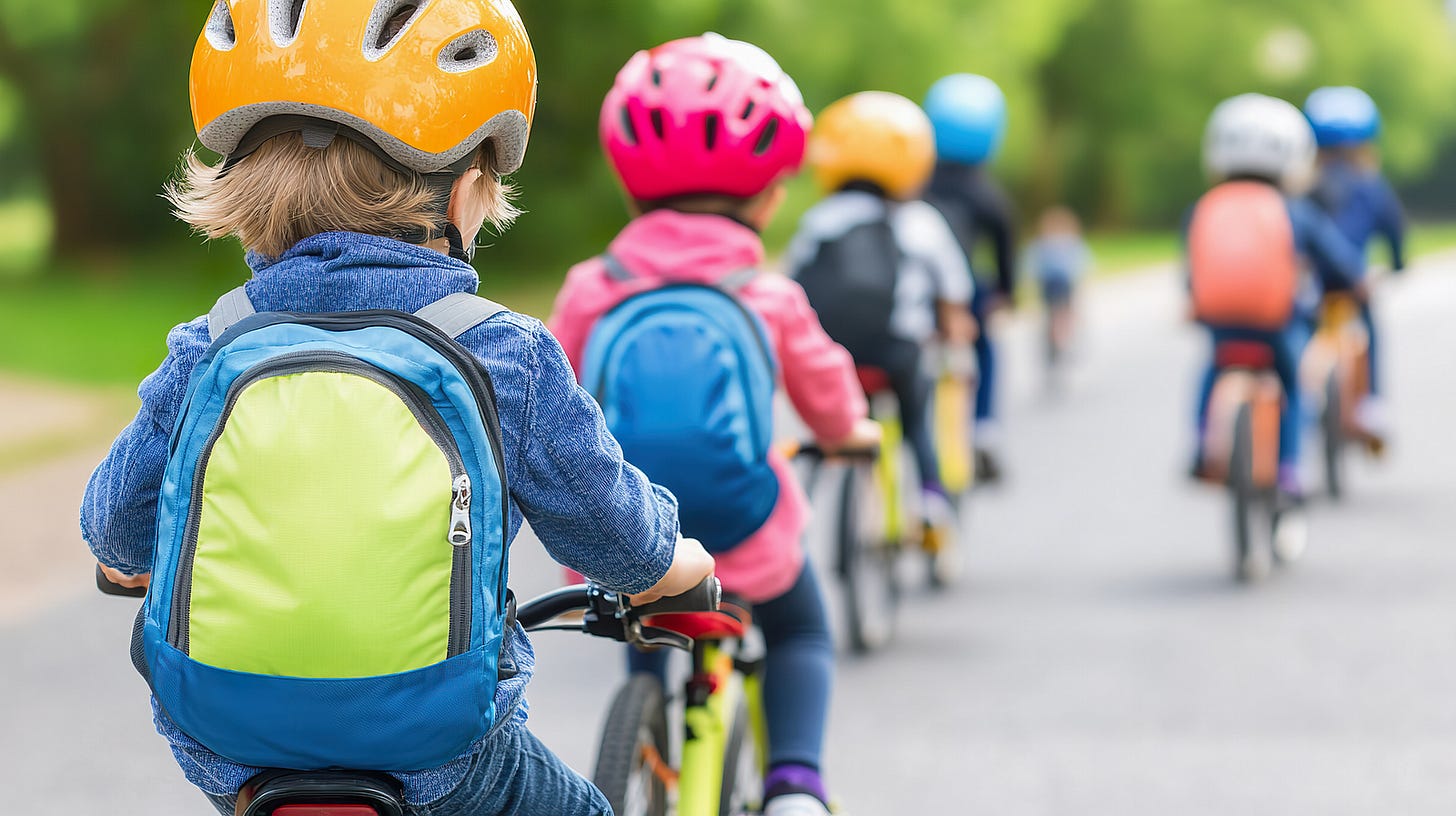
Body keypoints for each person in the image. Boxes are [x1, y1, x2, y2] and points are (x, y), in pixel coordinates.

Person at [80, 3, 713, 814]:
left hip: (230, 745)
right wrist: (673, 565)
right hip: (443, 755)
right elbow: (612, 533)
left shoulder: (210, 343)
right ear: (466, 190)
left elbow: (115, 532)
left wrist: (127, 557)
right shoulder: (499, 352)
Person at [547, 34, 879, 816]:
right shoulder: (765, 292)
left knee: (642, 605)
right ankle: (796, 784)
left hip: (625, 536)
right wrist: (849, 431)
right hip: (746, 535)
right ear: (768, 195)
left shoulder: (594, 287)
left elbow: (548, 391)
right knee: (801, 632)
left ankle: (646, 719)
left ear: (629, 185)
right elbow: (828, 389)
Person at [786, 90, 976, 540]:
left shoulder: (819, 220)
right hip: (896, 351)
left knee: (847, 420)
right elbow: (953, 294)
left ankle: (825, 505)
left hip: (833, 352)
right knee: (917, 414)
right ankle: (930, 495)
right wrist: (956, 333)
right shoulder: (921, 221)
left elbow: (791, 285)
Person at [1187, 93, 1365, 504]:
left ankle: (1201, 440)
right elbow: (1334, 256)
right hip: (1276, 318)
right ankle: (1289, 467)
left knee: (1213, 367)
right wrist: (1355, 279)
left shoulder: (1206, 205)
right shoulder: (1294, 209)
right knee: (1293, 383)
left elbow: (1194, 258)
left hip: (1221, 317)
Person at [922, 73, 1017, 482]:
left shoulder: (916, 183)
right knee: (987, 348)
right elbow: (1004, 249)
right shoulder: (987, 195)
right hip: (964, 294)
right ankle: (983, 428)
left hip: (918, 287)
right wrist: (1005, 294)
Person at [1304, 85, 1407, 443]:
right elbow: (1393, 229)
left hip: (1313, 282)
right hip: (1355, 281)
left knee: (1303, 332)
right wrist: (1397, 264)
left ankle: (1302, 398)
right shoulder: (1372, 186)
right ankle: (1371, 403)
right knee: (1369, 329)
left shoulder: (1305, 186)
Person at [1027, 205, 1091, 368]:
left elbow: (1081, 264)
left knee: (1063, 314)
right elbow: (1032, 265)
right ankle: (1057, 339)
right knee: (1055, 315)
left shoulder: (1070, 245)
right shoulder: (1043, 246)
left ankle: (1061, 339)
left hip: (1063, 285)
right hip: (1049, 286)